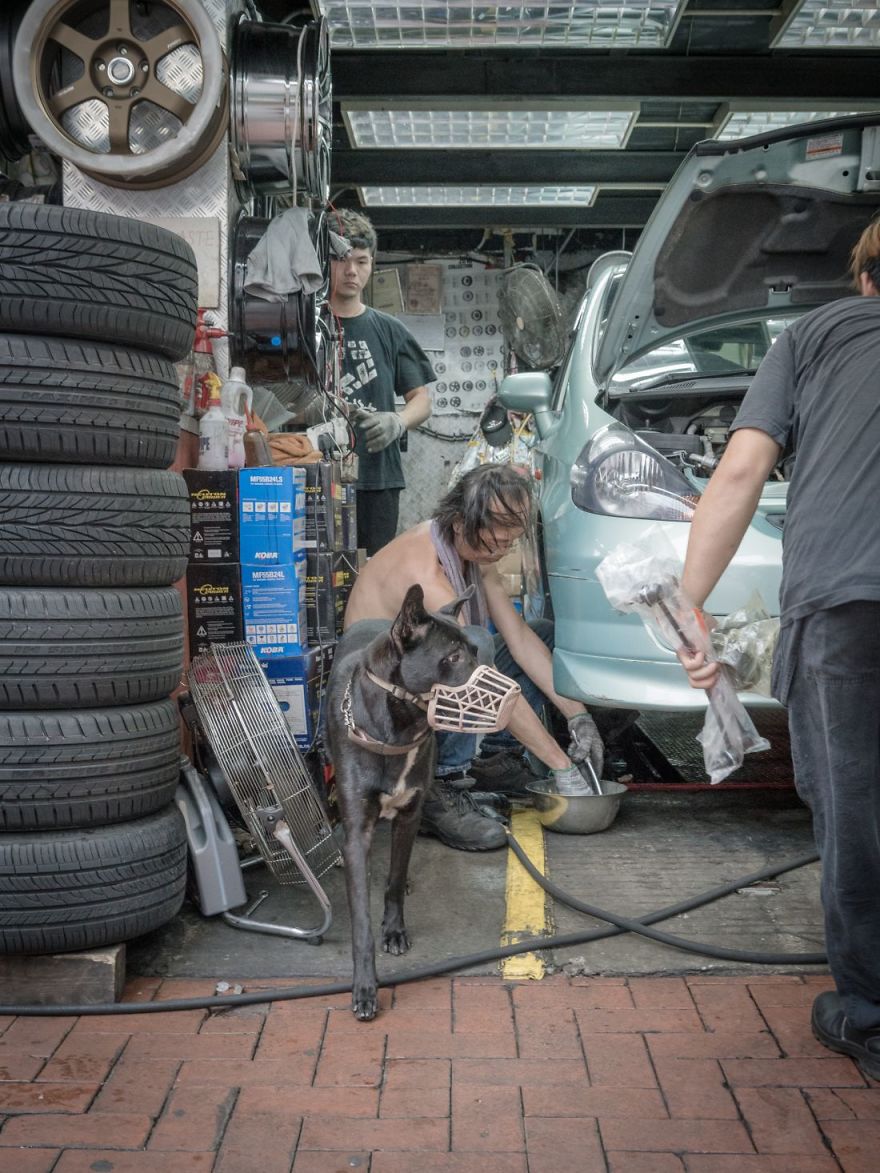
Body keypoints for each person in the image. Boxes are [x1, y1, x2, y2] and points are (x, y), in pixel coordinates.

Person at [676, 216, 880, 1080]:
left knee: (855, 809)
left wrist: (686, 604)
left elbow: (738, 471)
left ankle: (868, 1018)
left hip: (846, 604)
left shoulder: (815, 334)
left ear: (863, 277)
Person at [343, 462, 604, 851]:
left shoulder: (470, 550)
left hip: (418, 685)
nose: (500, 551)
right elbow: (482, 677)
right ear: (462, 521)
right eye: (495, 542)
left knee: (541, 633)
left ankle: (495, 760)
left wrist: (578, 716)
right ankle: (439, 786)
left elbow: (518, 640)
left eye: (509, 543)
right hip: (379, 711)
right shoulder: (427, 575)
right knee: (477, 644)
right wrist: (561, 766)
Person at [329, 209, 435, 556]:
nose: (351, 271)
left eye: (361, 261)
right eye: (341, 260)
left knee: (376, 571)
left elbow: (422, 399)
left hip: (378, 476)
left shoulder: (390, 330)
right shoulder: (304, 326)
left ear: (372, 264)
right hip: (318, 473)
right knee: (319, 573)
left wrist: (397, 421)